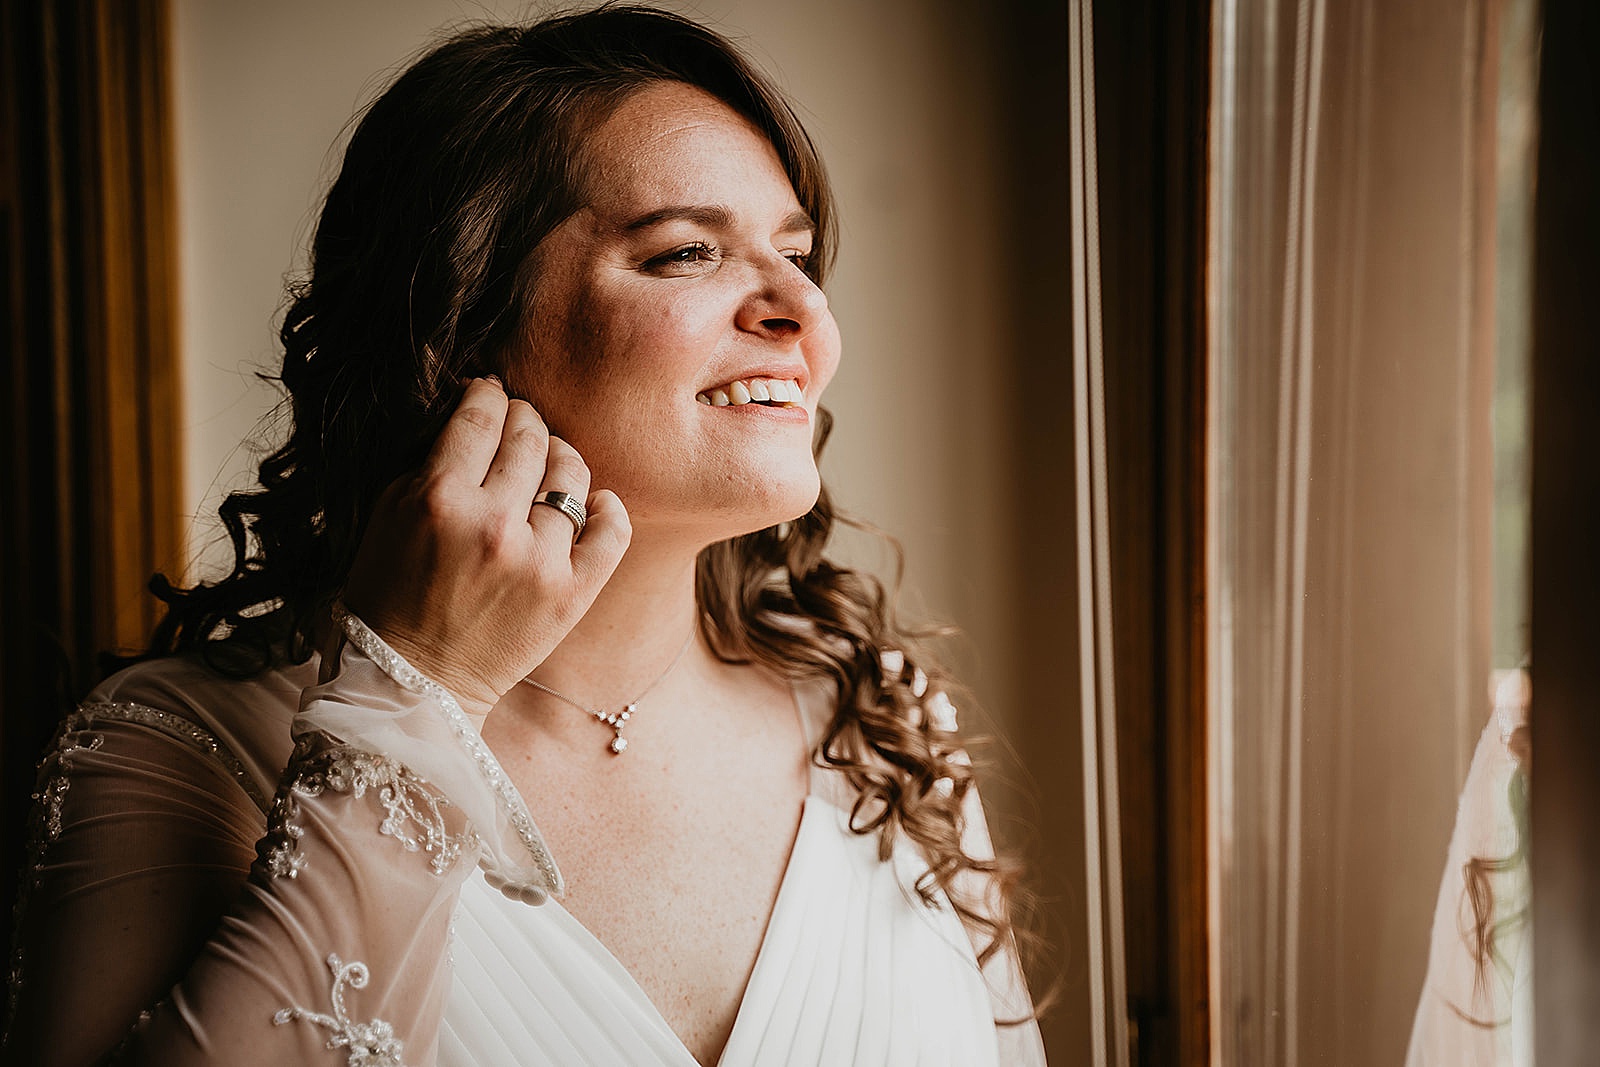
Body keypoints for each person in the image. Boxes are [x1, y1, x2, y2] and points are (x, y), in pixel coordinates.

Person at [4, 7, 1045, 1066]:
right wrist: (417, 696)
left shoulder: (883, 726)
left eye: (797, 253)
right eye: (687, 252)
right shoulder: (182, 747)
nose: (801, 310)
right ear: (461, 328)